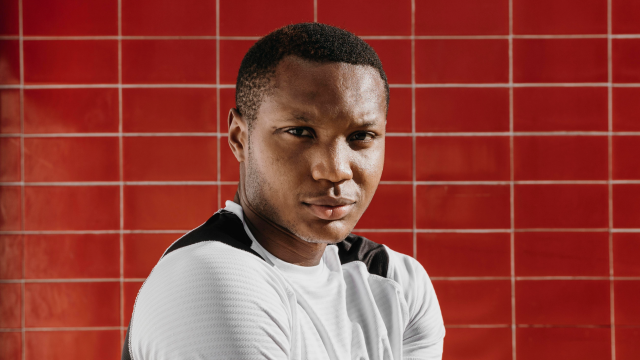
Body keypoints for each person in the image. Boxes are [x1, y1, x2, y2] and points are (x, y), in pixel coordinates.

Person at [123, 23, 445, 360]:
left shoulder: (395, 281)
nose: (336, 169)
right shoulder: (211, 279)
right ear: (239, 137)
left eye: (361, 136)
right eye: (301, 132)